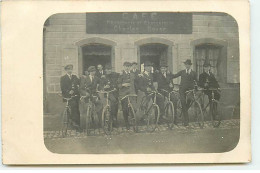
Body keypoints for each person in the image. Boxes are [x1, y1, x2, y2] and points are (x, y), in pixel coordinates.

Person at [172, 59, 197, 126]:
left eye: (188, 64)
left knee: (189, 101)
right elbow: (174, 76)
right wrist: (168, 73)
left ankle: (184, 110)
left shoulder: (194, 73)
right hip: (182, 90)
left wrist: (197, 86)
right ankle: (186, 120)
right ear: (185, 65)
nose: (187, 66)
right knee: (183, 102)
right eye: (186, 64)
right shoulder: (182, 72)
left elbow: (196, 81)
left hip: (190, 90)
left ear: (190, 65)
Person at [60, 64, 80, 129]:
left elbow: (78, 83)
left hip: (75, 96)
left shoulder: (75, 77)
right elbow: (62, 88)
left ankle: (77, 123)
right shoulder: (63, 78)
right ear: (66, 70)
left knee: (76, 109)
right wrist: (68, 91)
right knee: (73, 106)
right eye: (68, 69)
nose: (70, 70)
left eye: (71, 69)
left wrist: (83, 78)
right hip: (67, 96)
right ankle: (73, 122)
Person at [117, 61, 136, 130]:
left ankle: (133, 121)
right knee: (125, 109)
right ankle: (127, 123)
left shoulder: (132, 74)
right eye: (126, 66)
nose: (127, 68)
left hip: (131, 93)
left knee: (133, 108)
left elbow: (135, 83)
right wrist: (123, 85)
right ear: (124, 67)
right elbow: (118, 85)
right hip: (124, 94)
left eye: (128, 66)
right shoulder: (121, 74)